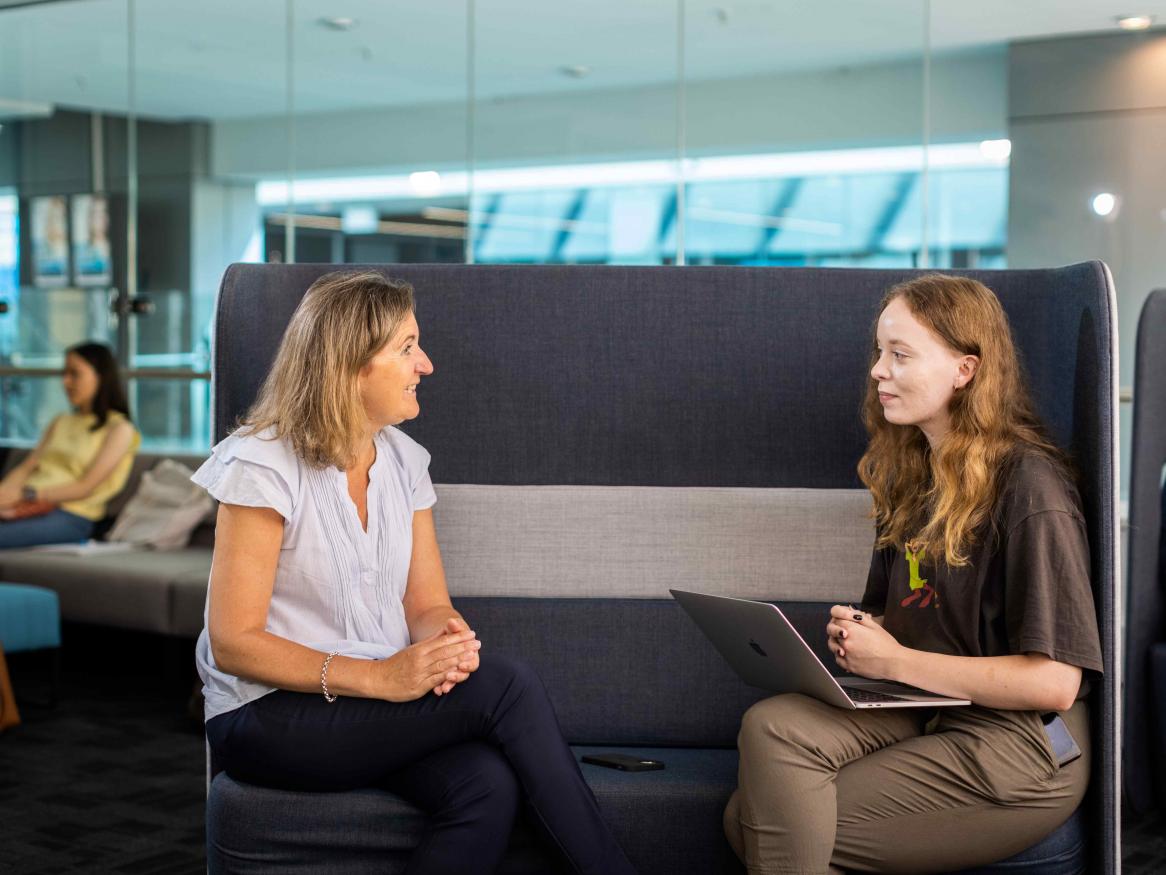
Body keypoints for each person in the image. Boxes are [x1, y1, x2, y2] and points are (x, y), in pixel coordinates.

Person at [196, 270, 636, 875]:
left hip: (367, 708)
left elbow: (426, 603)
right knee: (506, 685)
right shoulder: (261, 464)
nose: (425, 364)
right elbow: (234, 642)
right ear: (349, 366)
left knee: (484, 783)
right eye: (406, 348)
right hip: (266, 714)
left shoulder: (404, 460)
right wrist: (381, 678)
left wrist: (444, 643)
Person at [723, 275, 1103, 874]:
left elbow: (1054, 682)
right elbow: (913, 617)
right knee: (771, 727)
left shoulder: (1030, 488)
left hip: (1021, 743)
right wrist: (865, 634)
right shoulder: (916, 474)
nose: (879, 371)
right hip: (929, 704)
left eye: (900, 355)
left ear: (965, 370)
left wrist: (893, 662)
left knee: (766, 823)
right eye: (880, 353)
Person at [0, 342, 139, 548]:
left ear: (101, 377)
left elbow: (86, 487)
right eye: (64, 373)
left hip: (72, 515)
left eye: (75, 374)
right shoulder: (61, 421)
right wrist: (5, 492)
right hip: (27, 505)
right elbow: (29, 465)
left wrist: (27, 493)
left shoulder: (119, 429)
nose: (65, 381)